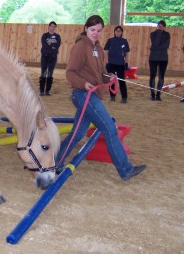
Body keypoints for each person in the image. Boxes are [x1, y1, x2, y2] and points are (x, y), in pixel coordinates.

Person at [55, 15, 146, 181]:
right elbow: (70, 73)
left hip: (91, 95)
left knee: (77, 134)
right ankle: (125, 170)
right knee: (110, 129)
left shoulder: (98, 48)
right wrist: (83, 84)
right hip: (83, 95)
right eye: (92, 30)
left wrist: (108, 77)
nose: (96, 33)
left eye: (99, 30)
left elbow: (100, 73)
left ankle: (55, 163)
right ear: (86, 28)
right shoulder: (81, 46)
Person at [104, 26, 130, 103]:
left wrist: (126, 62)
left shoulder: (124, 41)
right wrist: (107, 62)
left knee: (122, 81)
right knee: (111, 80)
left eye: (119, 31)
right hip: (111, 63)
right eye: (116, 31)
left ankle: (124, 97)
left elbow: (127, 53)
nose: (118, 32)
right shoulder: (110, 40)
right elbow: (106, 52)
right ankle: (112, 96)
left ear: (122, 32)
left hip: (120, 64)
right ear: (114, 32)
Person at [149, 20, 170, 101]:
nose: (160, 27)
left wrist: (155, 47)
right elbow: (155, 43)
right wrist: (158, 34)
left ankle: (158, 94)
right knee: (152, 76)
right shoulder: (153, 34)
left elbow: (166, 46)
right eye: (159, 26)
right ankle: (152, 93)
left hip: (163, 58)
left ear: (164, 27)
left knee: (161, 76)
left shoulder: (167, 34)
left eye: (161, 26)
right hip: (153, 58)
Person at [39, 21, 61, 96]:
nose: (52, 27)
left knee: (50, 74)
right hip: (45, 57)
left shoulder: (57, 36)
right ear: (49, 27)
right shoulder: (44, 36)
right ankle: (41, 90)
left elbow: (57, 45)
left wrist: (51, 46)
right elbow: (45, 45)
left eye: (54, 26)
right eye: (51, 26)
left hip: (53, 57)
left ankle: (47, 91)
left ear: (55, 28)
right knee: (43, 73)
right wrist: (52, 46)